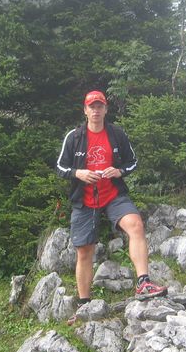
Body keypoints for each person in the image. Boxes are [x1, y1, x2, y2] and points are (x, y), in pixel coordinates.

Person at [57, 90, 167, 325]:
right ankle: (84, 304)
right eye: (92, 107)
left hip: (113, 194)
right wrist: (78, 173)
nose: (96, 110)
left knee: (136, 225)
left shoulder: (116, 134)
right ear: (85, 110)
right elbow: (60, 167)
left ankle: (144, 283)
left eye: (100, 106)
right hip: (84, 199)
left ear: (106, 109)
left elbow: (132, 162)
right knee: (84, 251)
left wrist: (119, 171)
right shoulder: (74, 137)